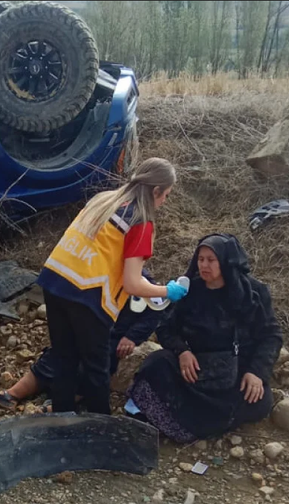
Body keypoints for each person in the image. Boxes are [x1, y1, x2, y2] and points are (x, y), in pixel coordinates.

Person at [35, 158, 187, 415]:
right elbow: (132, 283)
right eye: (166, 196)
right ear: (155, 191)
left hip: (55, 280)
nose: (164, 203)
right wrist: (167, 291)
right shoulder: (141, 221)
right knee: (97, 369)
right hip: (88, 294)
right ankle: (100, 432)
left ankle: (59, 425)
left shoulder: (103, 200)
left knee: (64, 360)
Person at [127, 233, 283, 443]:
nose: (204, 265)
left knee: (260, 399)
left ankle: (190, 420)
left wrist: (256, 372)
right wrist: (182, 351)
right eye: (201, 259)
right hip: (194, 371)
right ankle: (175, 421)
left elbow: (271, 336)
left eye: (211, 260)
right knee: (156, 363)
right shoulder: (189, 290)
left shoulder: (252, 294)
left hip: (234, 372)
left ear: (226, 261)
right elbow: (165, 326)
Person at [0, 270, 166, 412]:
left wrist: (132, 337)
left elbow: (155, 313)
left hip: (115, 336)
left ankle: (64, 406)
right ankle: (11, 395)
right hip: (91, 325)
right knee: (61, 351)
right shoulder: (99, 273)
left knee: (98, 362)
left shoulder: (144, 283)